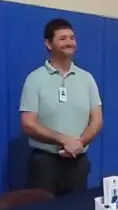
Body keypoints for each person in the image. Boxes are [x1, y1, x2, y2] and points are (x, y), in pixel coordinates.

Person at [19, 18, 103, 197]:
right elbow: (28, 123)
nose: (69, 42)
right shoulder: (35, 79)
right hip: (45, 165)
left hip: (77, 163)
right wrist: (63, 140)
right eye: (63, 38)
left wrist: (79, 143)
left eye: (72, 38)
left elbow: (97, 119)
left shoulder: (87, 79)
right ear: (48, 44)